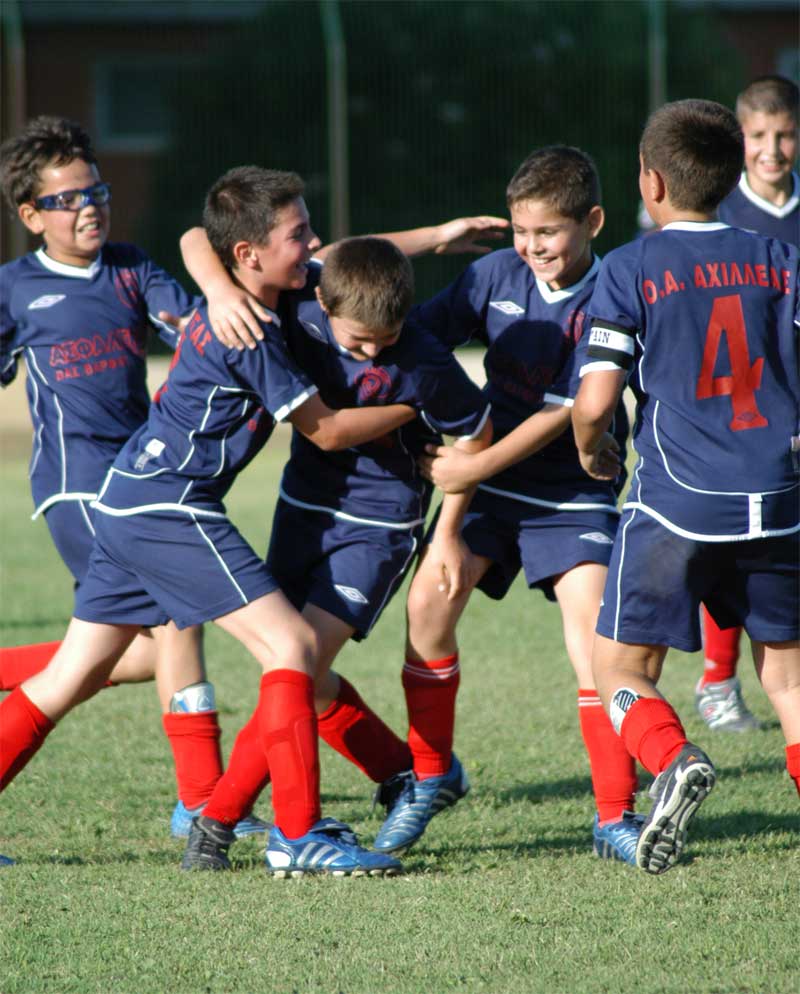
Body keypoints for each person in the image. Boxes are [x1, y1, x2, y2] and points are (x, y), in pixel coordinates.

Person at [0, 166, 423, 876]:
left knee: (68, 677)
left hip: (127, 500)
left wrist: (435, 236)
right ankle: (296, 838)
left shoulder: (250, 291)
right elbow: (321, 430)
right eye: (298, 234)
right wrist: (420, 406)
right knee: (290, 646)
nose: (312, 241)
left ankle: (298, 822)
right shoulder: (247, 331)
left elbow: (232, 241)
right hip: (168, 503)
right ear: (252, 255)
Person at [178, 234, 492, 870]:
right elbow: (198, 238)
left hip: (378, 528)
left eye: (387, 338)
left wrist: (449, 528)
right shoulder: (298, 303)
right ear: (320, 300)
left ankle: (215, 823)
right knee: (305, 680)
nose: (375, 351)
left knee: (294, 667)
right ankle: (405, 771)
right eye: (358, 342)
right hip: (300, 510)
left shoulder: (425, 360)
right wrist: (215, 287)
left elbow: (477, 433)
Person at [365, 146, 640, 863]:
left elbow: (576, 407)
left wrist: (472, 463)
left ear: (593, 223)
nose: (532, 247)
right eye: (522, 231)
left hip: (574, 490)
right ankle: (430, 777)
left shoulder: (615, 291)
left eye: (548, 232)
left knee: (593, 641)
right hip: (489, 484)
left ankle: (614, 814)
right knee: (429, 602)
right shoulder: (493, 274)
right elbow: (416, 339)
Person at [0, 116, 264, 840]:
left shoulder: (132, 269)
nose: (89, 206)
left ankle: (199, 802)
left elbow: (197, 327)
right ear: (30, 216)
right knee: (175, 624)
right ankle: (202, 802)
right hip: (76, 488)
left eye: (97, 191)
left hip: (137, 478)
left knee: (134, 651)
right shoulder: (15, 288)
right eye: (67, 199)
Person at [572, 98, 800, 875]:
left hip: (677, 501)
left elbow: (597, 402)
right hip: (779, 497)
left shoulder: (630, 266)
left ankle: (672, 760)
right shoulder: (781, 260)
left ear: (651, 183)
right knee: (789, 675)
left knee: (619, 669)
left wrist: (593, 450)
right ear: (734, 175)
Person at [695, 75, 799, 733]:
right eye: (759, 135)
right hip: (739, 407)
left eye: (785, 134)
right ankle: (716, 684)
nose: (772, 149)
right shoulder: (715, 212)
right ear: (739, 138)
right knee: (732, 542)